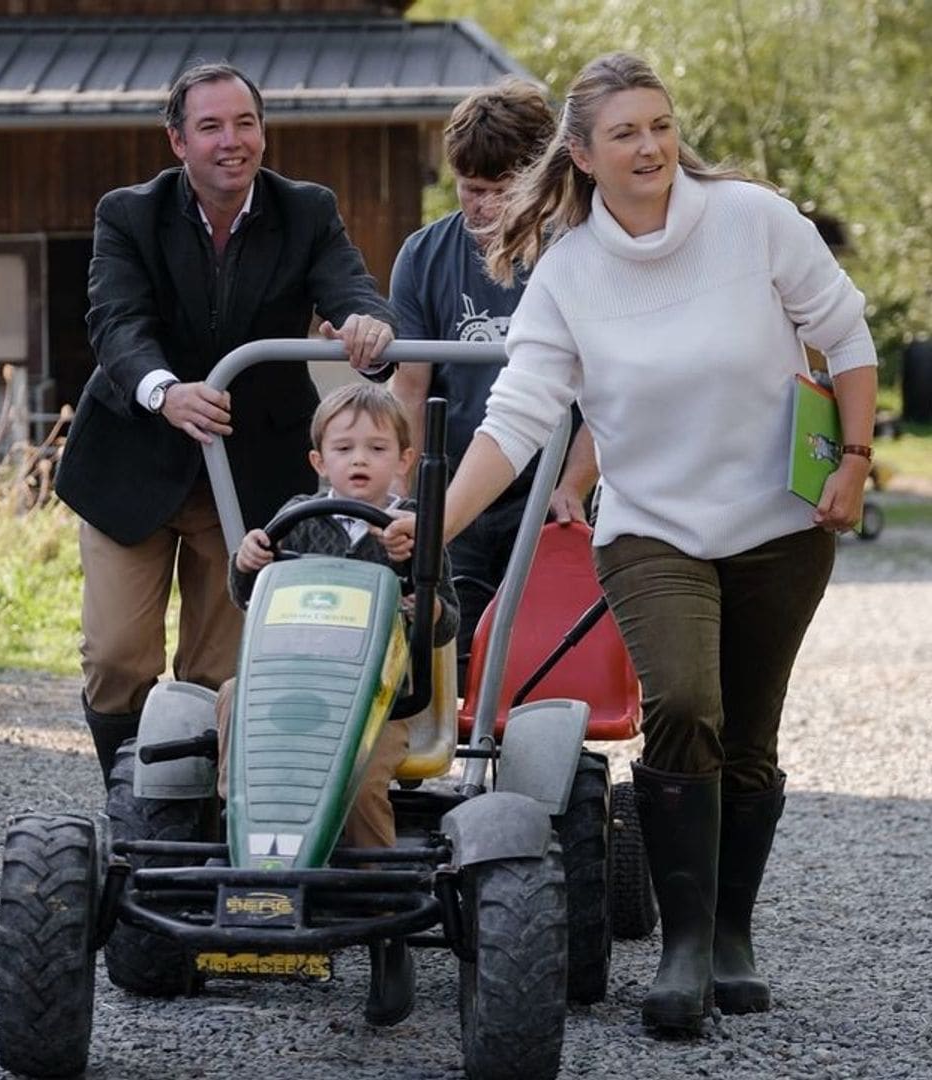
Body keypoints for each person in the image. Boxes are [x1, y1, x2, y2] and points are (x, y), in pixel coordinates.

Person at [385, 52, 878, 1035]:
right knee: (685, 704)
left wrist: (854, 462)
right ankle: (685, 948)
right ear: (582, 153)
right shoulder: (568, 272)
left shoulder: (752, 221)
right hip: (650, 525)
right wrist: (427, 524)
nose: (650, 145)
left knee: (749, 731)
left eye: (660, 124)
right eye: (626, 132)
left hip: (780, 524)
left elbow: (849, 332)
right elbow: (519, 419)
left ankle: (730, 932)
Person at [54, 62, 396, 787]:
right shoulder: (129, 214)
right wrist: (165, 391)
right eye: (210, 127)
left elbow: (350, 286)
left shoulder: (306, 210)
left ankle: (200, 817)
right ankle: (130, 795)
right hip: (133, 462)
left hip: (246, 474)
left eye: (245, 124)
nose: (231, 142)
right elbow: (115, 323)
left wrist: (367, 325)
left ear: (263, 134)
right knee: (119, 657)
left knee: (217, 669)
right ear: (178, 142)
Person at [215, 382, 459, 1028]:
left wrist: (421, 592)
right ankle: (246, 842)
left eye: (377, 448)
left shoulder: (419, 530)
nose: (360, 459)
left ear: (405, 462)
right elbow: (249, 599)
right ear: (318, 460)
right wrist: (247, 563)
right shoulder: (297, 517)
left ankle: (385, 927)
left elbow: (444, 623)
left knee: (367, 773)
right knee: (232, 697)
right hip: (289, 686)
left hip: (383, 701)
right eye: (344, 447)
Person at [389, 76, 598, 687]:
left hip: (555, 486)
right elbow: (409, 386)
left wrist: (576, 482)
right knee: (452, 651)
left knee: (546, 654)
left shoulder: (580, 252)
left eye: (499, 191)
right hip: (464, 487)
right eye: (469, 190)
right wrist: (407, 492)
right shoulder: (425, 256)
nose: (481, 207)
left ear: (540, 180)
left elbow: (609, 388)